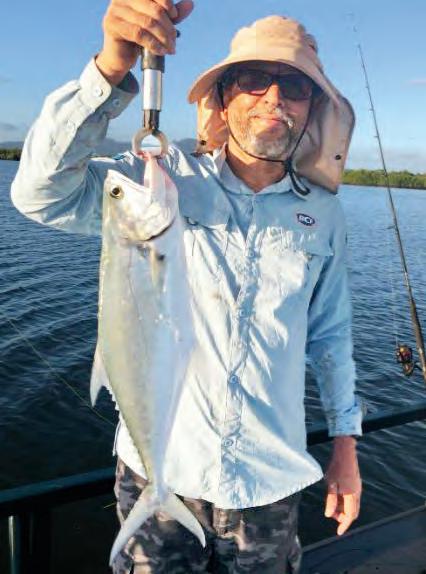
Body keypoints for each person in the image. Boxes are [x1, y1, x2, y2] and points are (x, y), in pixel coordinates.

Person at [11, 1, 363, 572]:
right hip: (161, 470)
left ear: (310, 109)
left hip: (269, 485)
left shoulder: (324, 214)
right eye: (253, 80)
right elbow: (40, 195)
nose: (274, 97)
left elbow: (331, 337)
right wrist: (111, 65)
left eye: (295, 86)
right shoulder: (158, 179)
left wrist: (345, 447)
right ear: (222, 99)